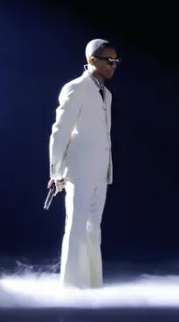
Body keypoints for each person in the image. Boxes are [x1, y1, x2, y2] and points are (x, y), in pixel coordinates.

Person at [48, 39, 118, 288]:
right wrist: (56, 171)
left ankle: (92, 285)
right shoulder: (75, 88)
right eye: (108, 60)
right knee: (76, 227)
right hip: (78, 170)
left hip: (100, 171)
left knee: (92, 230)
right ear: (92, 61)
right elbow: (60, 131)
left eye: (115, 61)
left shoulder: (106, 94)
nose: (113, 65)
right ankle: (71, 287)